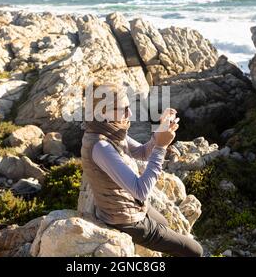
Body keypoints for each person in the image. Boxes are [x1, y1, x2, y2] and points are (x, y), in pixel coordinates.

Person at [81, 82, 203, 257]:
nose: (129, 113)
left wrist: (160, 133)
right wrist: (161, 147)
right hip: (123, 219)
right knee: (195, 251)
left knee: (163, 222)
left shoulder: (108, 129)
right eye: (123, 109)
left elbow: (142, 152)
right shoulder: (101, 145)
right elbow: (141, 191)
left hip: (130, 206)